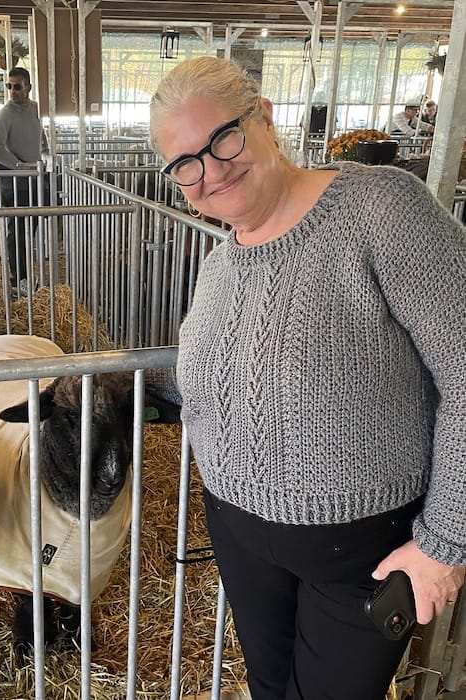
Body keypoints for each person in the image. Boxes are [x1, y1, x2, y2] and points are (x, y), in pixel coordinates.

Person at [147, 56, 465, 700]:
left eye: (222, 139)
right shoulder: (220, 263)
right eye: (185, 165)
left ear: (264, 117)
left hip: (365, 551)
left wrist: (446, 541)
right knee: (268, 686)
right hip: (239, 534)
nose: (210, 172)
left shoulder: (380, 209)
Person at [0, 66, 48, 296]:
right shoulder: (5, 114)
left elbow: (41, 138)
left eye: (17, 86)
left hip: (32, 179)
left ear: (29, 87)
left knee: (29, 229)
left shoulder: (36, 109)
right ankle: (19, 280)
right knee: (18, 231)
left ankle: (25, 277)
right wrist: (20, 166)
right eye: (9, 86)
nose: (12, 91)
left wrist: (45, 156)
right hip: (14, 182)